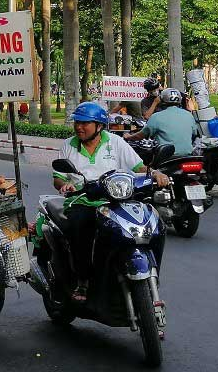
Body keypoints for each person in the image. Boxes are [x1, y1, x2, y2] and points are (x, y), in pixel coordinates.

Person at [56, 102, 169, 301]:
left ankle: (146, 272)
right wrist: (65, 185)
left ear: (99, 126)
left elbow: (139, 167)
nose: (79, 127)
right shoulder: (68, 145)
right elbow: (58, 178)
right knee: (80, 229)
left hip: (114, 202)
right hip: (82, 201)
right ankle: (83, 281)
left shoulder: (115, 143)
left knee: (153, 225)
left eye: (84, 123)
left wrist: (156, 174)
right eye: (77, 123)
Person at [125, 88, 198, 156]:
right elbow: (194, 133)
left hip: (166, 157)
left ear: (161, 100)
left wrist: (129, 137)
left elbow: (141, 135)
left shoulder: (156, 117)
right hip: (188, 155)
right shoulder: (189, 115)